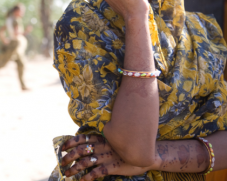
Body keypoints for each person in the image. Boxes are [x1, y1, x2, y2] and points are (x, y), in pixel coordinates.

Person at [50, 0, 227, 181]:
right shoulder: (82, 21)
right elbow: (136, 149)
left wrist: (156, 157)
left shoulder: (202, 29)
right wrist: (136, 17)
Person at [0, 3, 32, 90]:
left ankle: (22, 85)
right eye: (22, 11)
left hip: (13, 45)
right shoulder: (15, 20)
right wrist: (26, 31)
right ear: (16, 11)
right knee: (2, 63)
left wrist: (4, 40)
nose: (23, 13)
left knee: (20, 63)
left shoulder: (9, 19)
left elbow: (1, 31)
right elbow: (16, 33)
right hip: (14, 45)